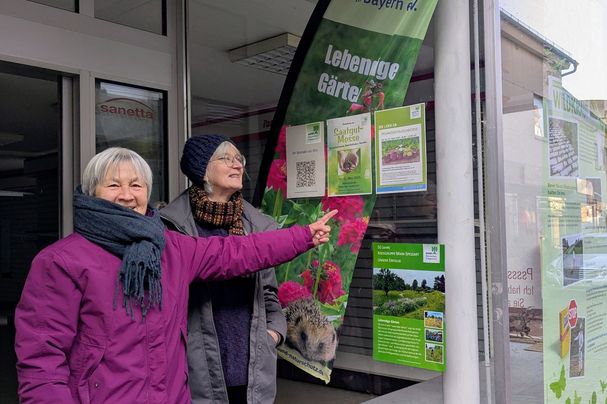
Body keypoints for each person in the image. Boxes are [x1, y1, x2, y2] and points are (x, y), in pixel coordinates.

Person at [14, 147, 336, 403]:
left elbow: (238, 252)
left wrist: (303, 236)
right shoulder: (61, 261)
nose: (127, 194)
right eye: (113, 184)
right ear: (90, 192)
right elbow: (42, 361)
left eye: (136, 185)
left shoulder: (172, 248)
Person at [160, 135, 282, 403]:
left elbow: (269, 292)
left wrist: (272, 334)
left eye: (239, 158)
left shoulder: (257, 225)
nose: (237, 164)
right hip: (196, 367)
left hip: (251, 366)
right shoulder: (172, 225)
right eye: (227, 159)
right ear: (201, 168)